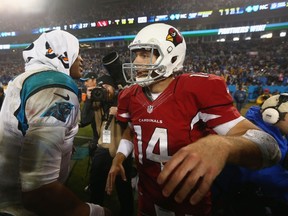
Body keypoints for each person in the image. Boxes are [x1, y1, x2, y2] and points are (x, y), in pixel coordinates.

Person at [105, 23, 281, 216]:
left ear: (171, 56)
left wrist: (224, 145)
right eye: (136, 54)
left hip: (189, 203)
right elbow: (132, 130)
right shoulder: (130, 94)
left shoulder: (195, 89)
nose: (137, 61)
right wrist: (120, 157)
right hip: (146, 196)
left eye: (145, 54)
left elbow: (269, 147)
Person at [0, 30, 111, 216]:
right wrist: (95, 212)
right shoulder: (55, 85)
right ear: (61, 53)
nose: (82, 59)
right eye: (76, 51)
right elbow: (39, 190)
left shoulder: (27, 79)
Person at [213, 94, 288, 216]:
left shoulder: (279, 131)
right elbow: (269, 178)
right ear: (272, 116)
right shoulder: (254, 137)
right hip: (238, 199)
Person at [88, 75, 134, 216]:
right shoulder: (99, 102)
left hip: (121, 149)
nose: (104, 91)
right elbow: (84, 120)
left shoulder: (124, 99)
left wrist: (119, 111)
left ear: (114, 88)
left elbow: (133, 123)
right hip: (103, 148)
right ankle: (96, 211)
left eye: (107, 87)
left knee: (123, 188)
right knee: (96, 186)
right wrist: (90, 100)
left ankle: (127, 212)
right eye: (101, 88)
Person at [79, 72, 99, 155]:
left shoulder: (104, 94)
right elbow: (83, 121)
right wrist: (89, 100)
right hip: (97, 139)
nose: (85, 83)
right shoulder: (90, 98)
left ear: (94, 80)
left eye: (87, 80)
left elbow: (83, 120)